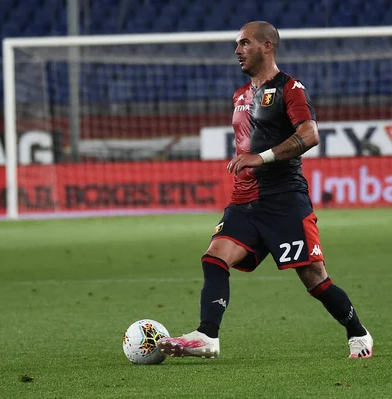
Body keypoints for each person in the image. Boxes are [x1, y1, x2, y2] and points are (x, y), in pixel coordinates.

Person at [157, 21, 373, 359]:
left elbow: (310, 134)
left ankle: (357, 333)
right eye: (237, 44)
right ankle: (207, 335)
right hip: (244, 200)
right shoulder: (240, 95)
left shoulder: (291, 88)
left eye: (244, 43)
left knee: (314, 278)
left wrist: (263, 157)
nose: (237, 50)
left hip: (284, 200)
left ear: (267, 46)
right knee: (214, 257)